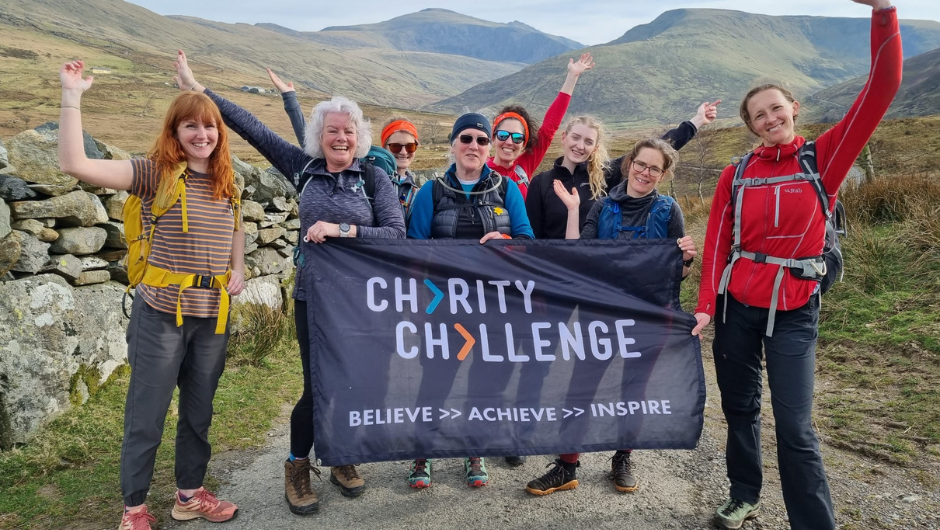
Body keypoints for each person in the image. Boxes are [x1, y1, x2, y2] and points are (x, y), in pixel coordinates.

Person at [691, 2, 902, 528]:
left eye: (776, 108)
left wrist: (885, 13)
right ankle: (744, 495)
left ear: (793, 107)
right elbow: (717, 244)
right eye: (759, 114)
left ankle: (814, 522)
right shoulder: (735, 175)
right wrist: (704, 307)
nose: (770, 118)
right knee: (739, 410)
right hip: (737, 306)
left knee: (795, 426)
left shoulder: (824, 158)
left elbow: (882, 89)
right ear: (751, 126)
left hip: (795, 308)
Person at [175, 51, 407, 515]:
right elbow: (252, 129)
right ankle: (297, 466)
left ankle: (342, 455)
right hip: (314, 297)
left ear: (359, 137)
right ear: (319, 136)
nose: (340, 137)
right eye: (332, 130)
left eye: (348, 130)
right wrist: (199, 89)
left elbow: (396, 234)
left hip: (364, 299)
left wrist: (344, 230)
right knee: (317, 383)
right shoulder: (305, 169)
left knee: (356, 380)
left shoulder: (375, 177)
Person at [58, 60, 245, 530]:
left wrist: (238, 268)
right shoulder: (152, 173)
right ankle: (135, 509)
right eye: (191, 126)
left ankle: (188, 495)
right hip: (161, 314)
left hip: (212, 317)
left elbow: (236, 229)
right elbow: (74, 164)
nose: (202, 134)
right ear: (174, 131)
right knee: (147, 416)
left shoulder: (228, 182)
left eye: (209, 126)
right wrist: (71, 96)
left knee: (198, 415)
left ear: (219, 132)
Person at [524, 137, 696, 497]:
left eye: (654, 168)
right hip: (599, 316)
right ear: (629, 164)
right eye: (641, 164)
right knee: (580, 387)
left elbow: (678, 273)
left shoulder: (669, 211)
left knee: (634, 390)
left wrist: (686, 259)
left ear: (662, 175)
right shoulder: (601, 208)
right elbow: (584, 255)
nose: (645, 172)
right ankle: (567, 464)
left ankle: (622, 457)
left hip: (649, 316)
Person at [405, 113, 534, 488]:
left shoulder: (507, 189)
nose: (474, 146)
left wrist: (507, 243)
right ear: (453, 144)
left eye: (481, 139)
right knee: (436, 380)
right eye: (466, 138)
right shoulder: (430, 192)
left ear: (489, 146)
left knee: (485, 381)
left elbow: (527, 240)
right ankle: (422, 451)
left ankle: (473, 448)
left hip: (494, 307)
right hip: (443, 307)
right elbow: (414, 247)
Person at [526, 102, 719, 239]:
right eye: (575, 137)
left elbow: (656, 149)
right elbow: (532, 236)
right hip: (552, 274)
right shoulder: (541, 183)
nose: (580, 146)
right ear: (564, 138)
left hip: (596, 273)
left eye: (588, 142)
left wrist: (696, 122)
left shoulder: (605, 175)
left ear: (595, 147)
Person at [267, 69, 418, 215]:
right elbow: (315, 141)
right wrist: (290, 100)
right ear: (384, 147)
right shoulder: (367, 172)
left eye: (410, 147)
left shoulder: (419, 191)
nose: (403, 152)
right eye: (396, 146)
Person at [487, 53, 594, 201]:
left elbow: (549, 127)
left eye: (517, 137)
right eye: (503, 135)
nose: (509, 142)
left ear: (524, 143)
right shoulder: (479, 169)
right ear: (493, 137)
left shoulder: (523, 166)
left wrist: (572, 77)